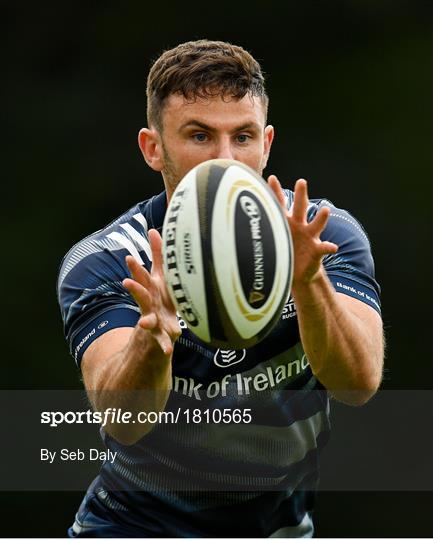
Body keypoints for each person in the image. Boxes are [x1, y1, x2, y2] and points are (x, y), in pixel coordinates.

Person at [57, 40, 384, 538]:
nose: (226, 159)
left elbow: (357, 384)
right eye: (200, 135)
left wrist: (308, 281)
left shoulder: (323, 235)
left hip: (280, 530)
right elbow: (122, 420)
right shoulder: (110, 260)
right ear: (152, 148)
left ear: (267, 144)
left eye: (244, 137)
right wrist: (153, 338)